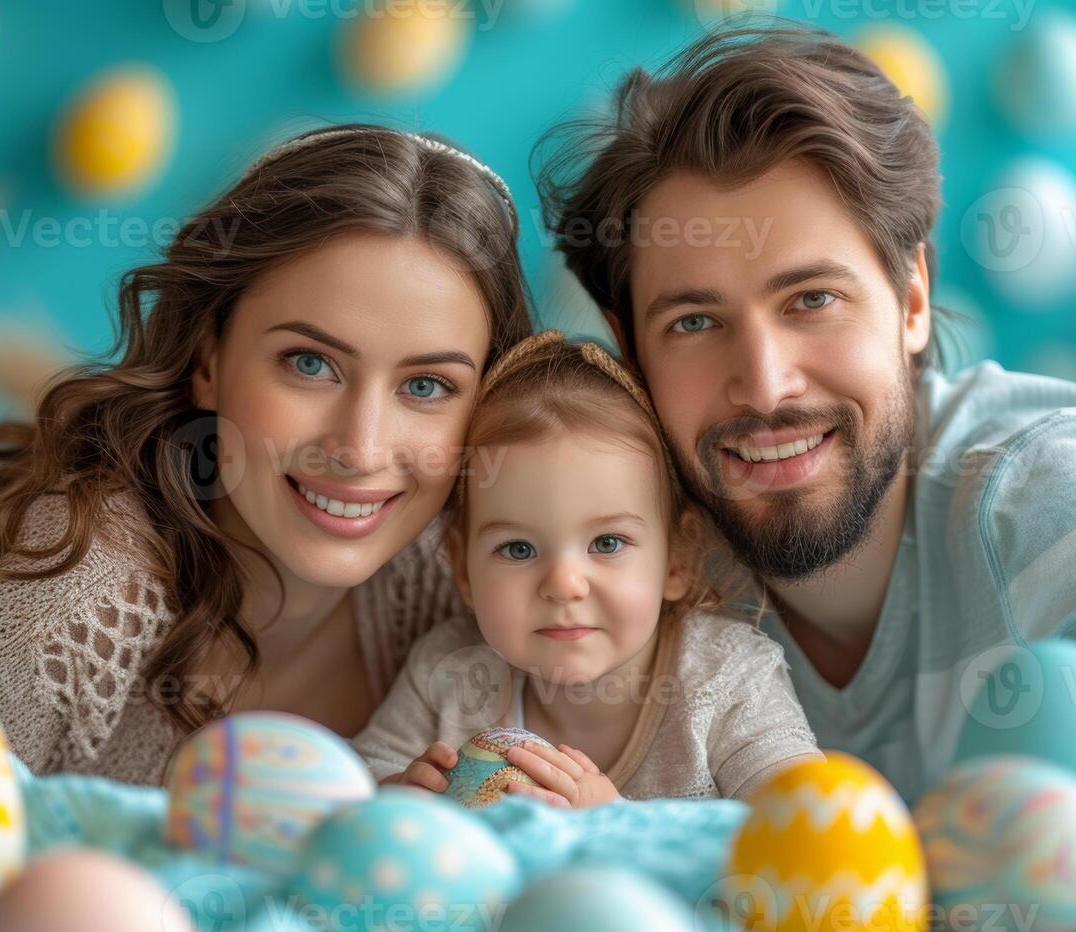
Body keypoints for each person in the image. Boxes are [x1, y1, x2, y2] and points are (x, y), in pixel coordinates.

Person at [535, 25, 1076, 803]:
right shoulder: (639, 571)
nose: (764, 387)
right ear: (629, 350)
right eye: (694, 323)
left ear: (911, 301)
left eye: (812, 300)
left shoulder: (1060, 506)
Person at [0, 124, 535, 785]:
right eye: (309, 363)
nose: (360, 447)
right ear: (208, 360)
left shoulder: (470, 583)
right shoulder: (64, 607)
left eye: (425, 386)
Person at [351, 331, 819, 807]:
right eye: (517, 549)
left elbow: (803, 826)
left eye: (607, 542)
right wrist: (396, 792)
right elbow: (350, 779)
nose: (563, 585)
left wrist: (617, 826)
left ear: (677, 559)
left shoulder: (726, 679)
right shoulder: (449, 672)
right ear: (464, 569)